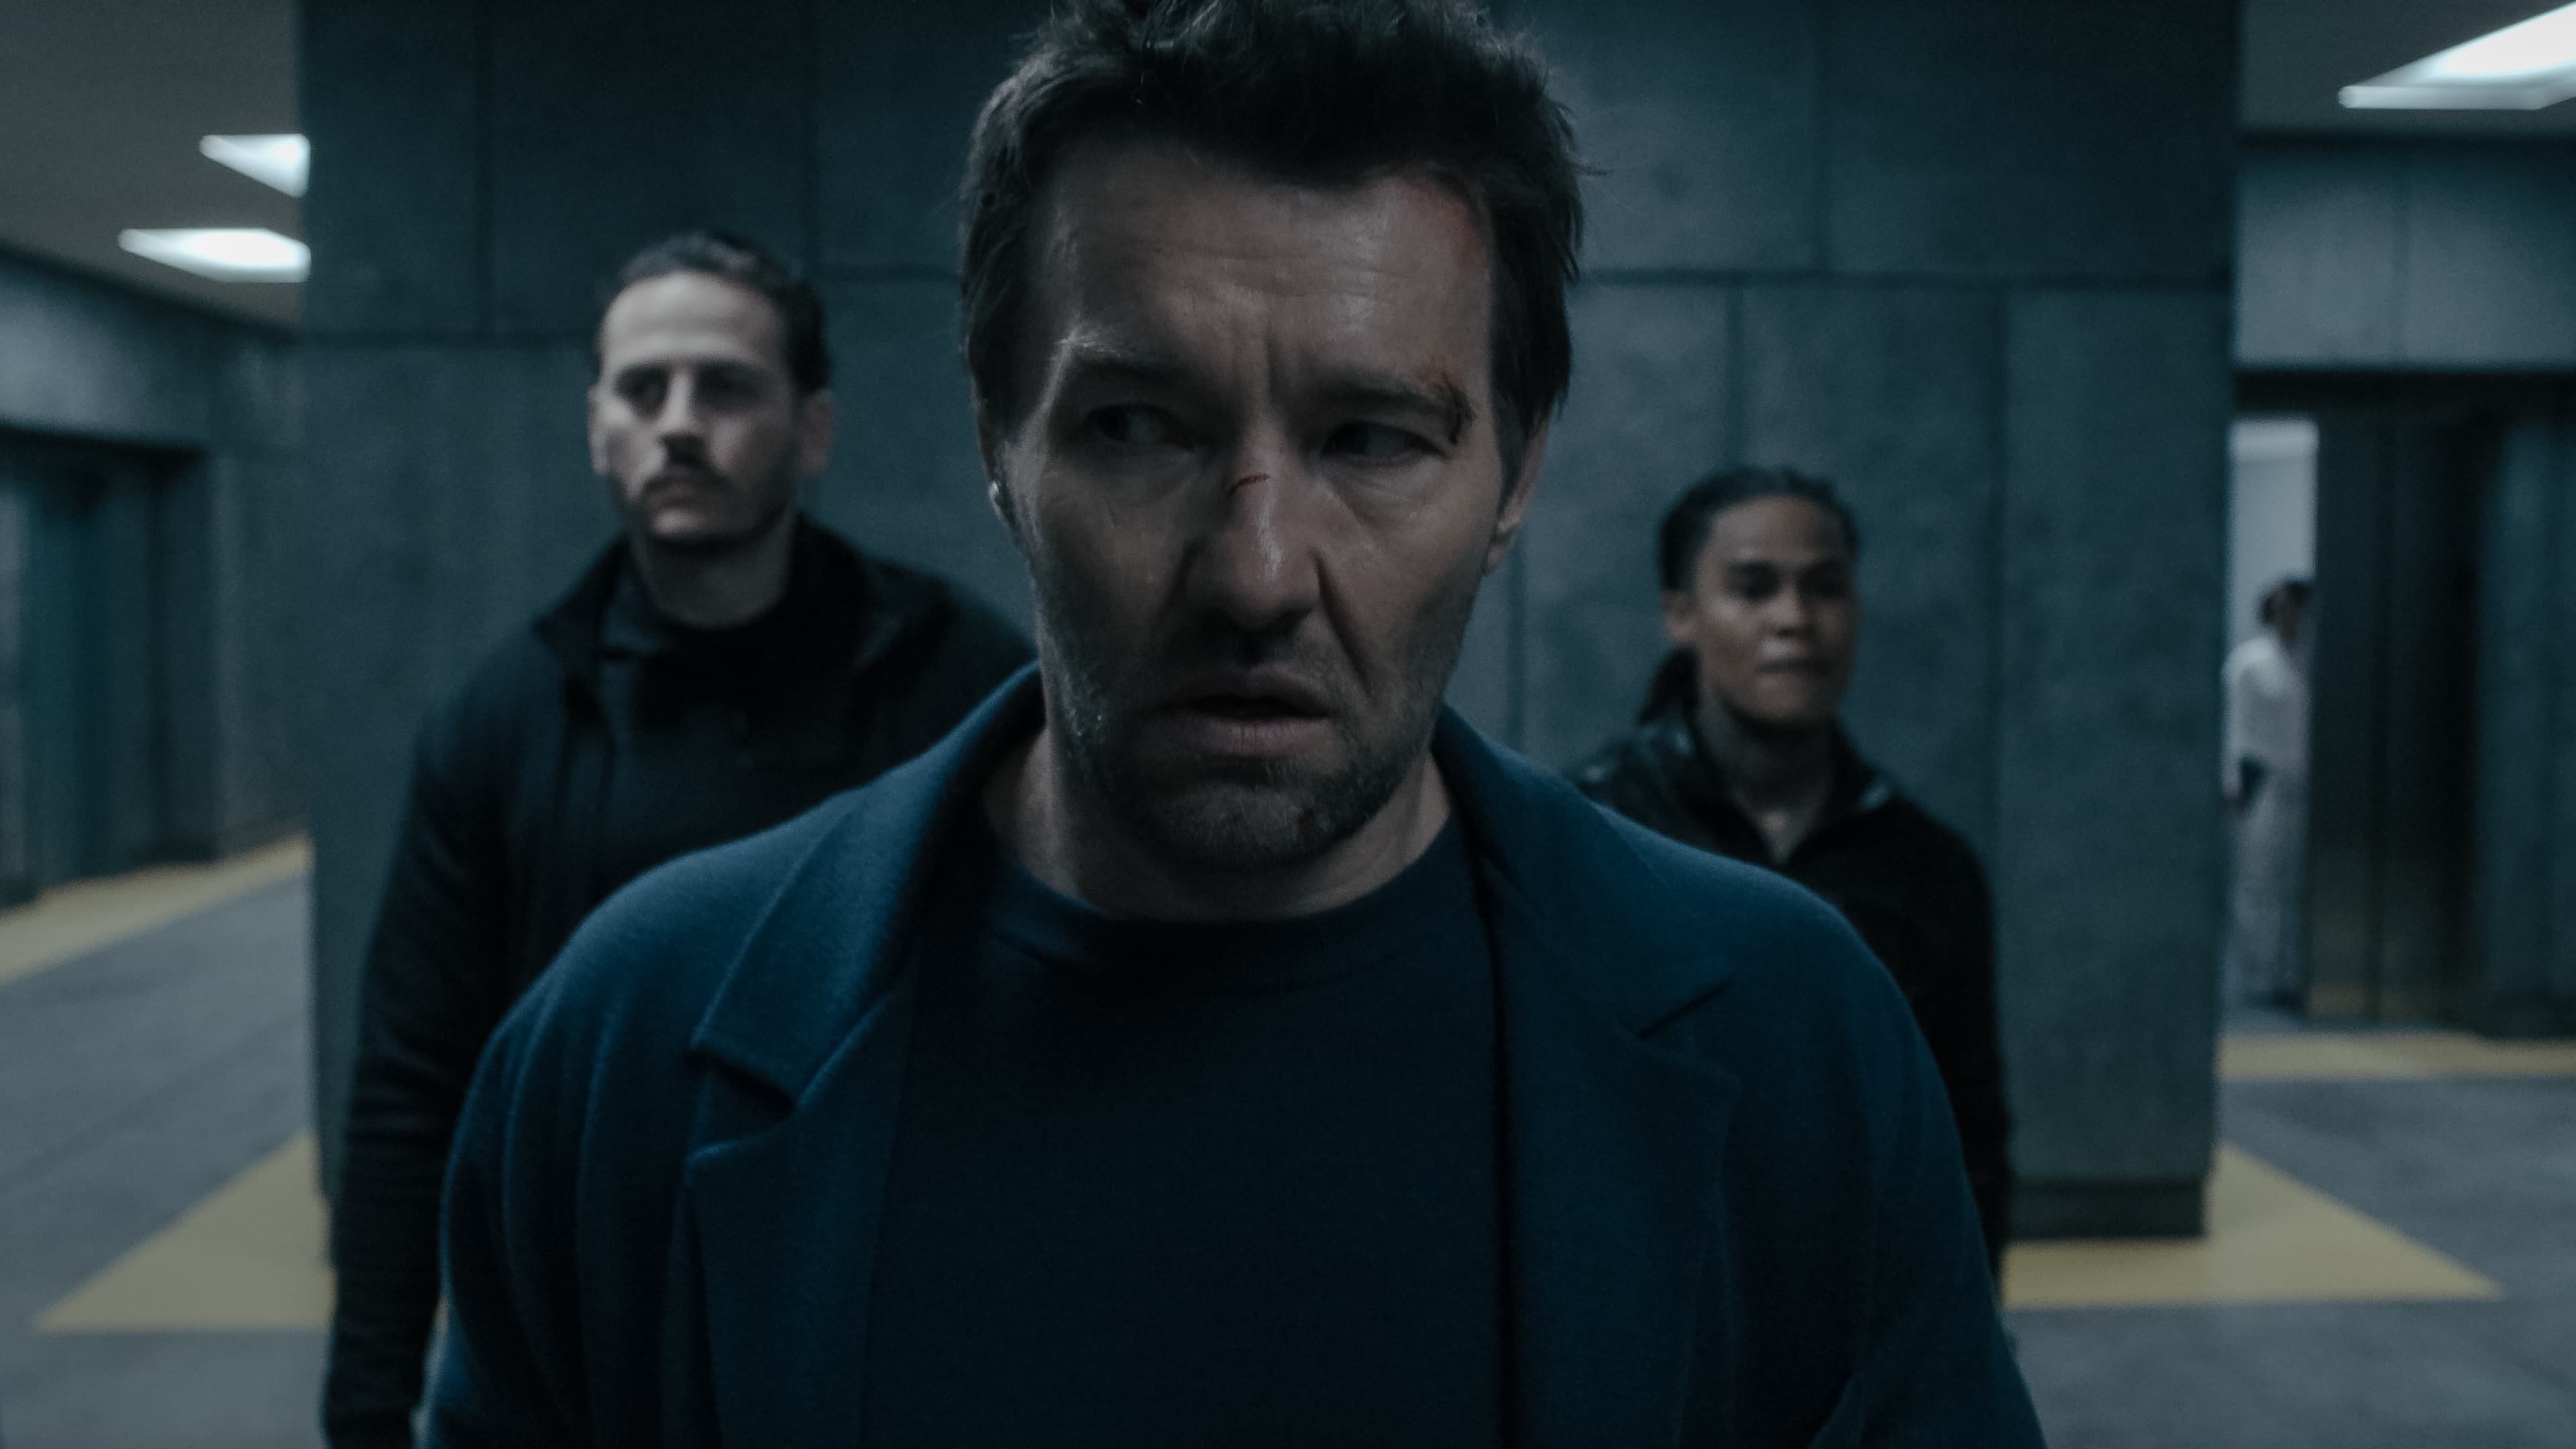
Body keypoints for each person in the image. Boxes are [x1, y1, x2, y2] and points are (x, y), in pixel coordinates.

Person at [422, 5, 2044, 1445]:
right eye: (1139, 427)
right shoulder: (624, 1057)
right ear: (996, 441)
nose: (1257, 573)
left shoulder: (1795, 1048)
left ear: (1517, 474)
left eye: (1372, 438)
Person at [321, 230, 1031, 1448]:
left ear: (813, 429)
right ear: (598, 429)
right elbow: (413, 1084)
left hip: (898, 1308)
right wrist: (367, 1409)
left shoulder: (959, 683)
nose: (680, 425)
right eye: (643, 390)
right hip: (614, 1324)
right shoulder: (503, 725)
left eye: (727, 388)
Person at [1570, 467, 2015, 1279]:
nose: (1795, 619)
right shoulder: (1590, 834)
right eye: (1753, 588)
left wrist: (1965, 1326)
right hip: (1637, 1296)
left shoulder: (1927, 866)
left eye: (1826, 587)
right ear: (1680, 614)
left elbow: (1969, 1140)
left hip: (1854, 1305)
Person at [2223, 577, 2310, 1008]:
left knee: (2296, 882)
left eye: (2295, 608)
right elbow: (2234, 726)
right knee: (2258, 881)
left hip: (2306, 784)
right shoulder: (2250, 662)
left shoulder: (2309, 663)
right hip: (2263, 782)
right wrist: (2231, 782)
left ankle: (2290, 975)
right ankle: (2257, 975)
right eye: (2281, 608)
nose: (2288, 617)